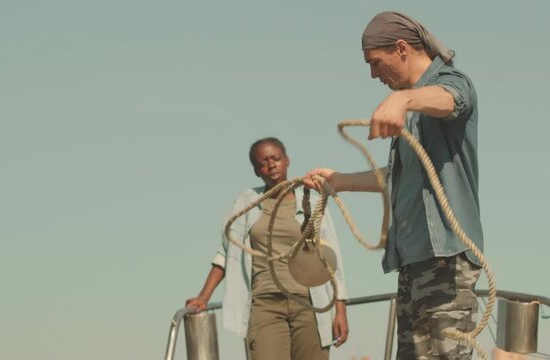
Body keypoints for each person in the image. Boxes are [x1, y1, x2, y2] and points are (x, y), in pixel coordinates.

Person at [305, 11, 483, 360]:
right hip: (411, 264)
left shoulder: (449, 82)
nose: (373, 74)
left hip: (446, 263)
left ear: (401, 48)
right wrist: (339, 182)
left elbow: (455, 99)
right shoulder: (412, 106)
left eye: (375, 62)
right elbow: (396, 176)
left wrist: (403, 100)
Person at [186, 137, 349, 360]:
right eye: (263, 162)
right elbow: (226, 253)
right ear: (256, 170)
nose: (271, 164)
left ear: (287, 160)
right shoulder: (246, 202)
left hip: (309, 304)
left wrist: (340, 310)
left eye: (276, 158)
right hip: (265, 305)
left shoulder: (310, 197)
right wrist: (203, 297)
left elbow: (332, 258)